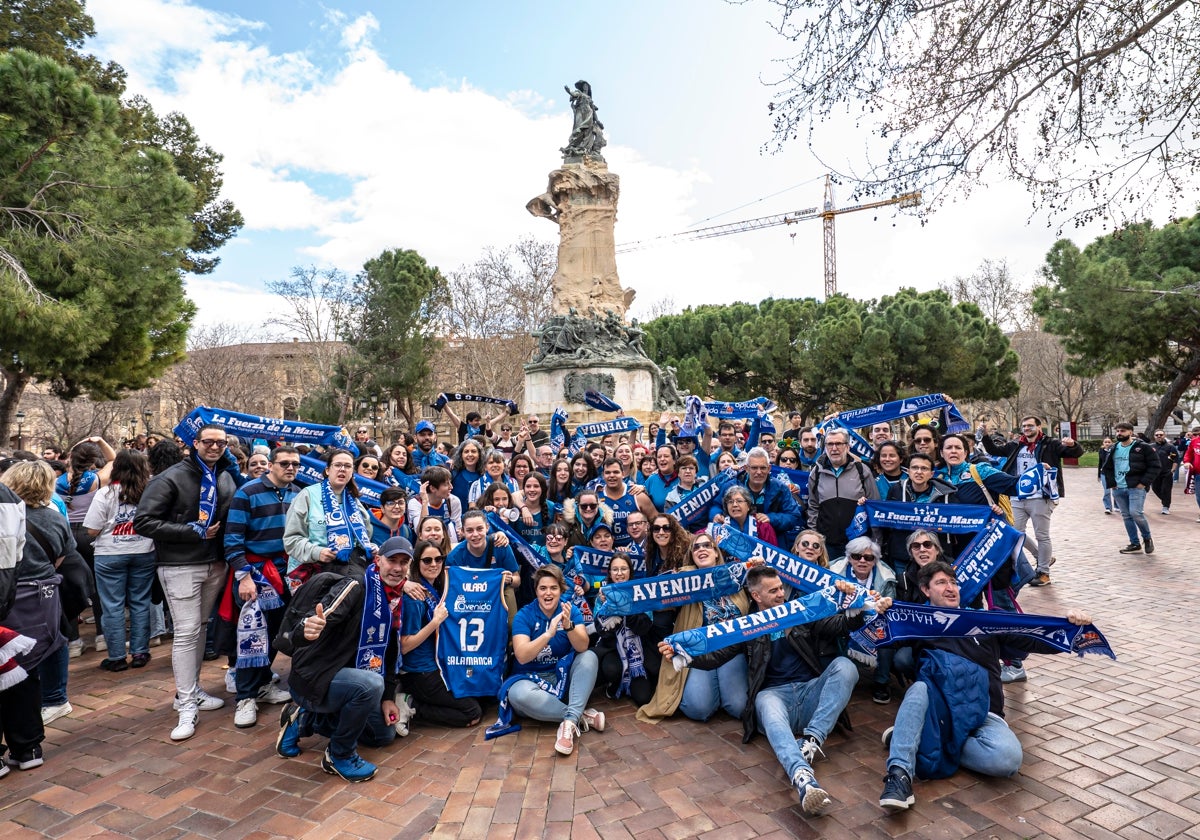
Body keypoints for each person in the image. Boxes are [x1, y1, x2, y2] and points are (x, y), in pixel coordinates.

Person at [877, 561, 1093, 813]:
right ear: (926, 590)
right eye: (941, 582)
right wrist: (882, 612)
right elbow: (876, 638)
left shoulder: (984, 620)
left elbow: (1036, 638)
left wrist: (1073, 625)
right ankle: (900, 774)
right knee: (918, 690)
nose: (950, 588)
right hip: (942, 714)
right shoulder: (917, 621)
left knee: (1007, 761)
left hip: (985, 714)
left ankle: (912, 736)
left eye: (954, 582)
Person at [680, 567, 889, 817]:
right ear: (756, 596)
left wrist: (858, 611)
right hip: (774, 698)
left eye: (781, 588)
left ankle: (811, 741)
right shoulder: (747, 625)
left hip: (809, 693)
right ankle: (803, 778)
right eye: (774, 590)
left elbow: (837, 625)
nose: (781, 594)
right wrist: (684, 655)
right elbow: (717, 655)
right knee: (764, 700)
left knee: (845, 666)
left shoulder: (799, 611)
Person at [275, 537, 414, 782]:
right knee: (370, 685)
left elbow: (389, 652)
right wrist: (306, 630)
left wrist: (389, 697)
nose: (397, 568)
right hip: (317, 675)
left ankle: (305, 718)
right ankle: (338, 755)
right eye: (392, 560)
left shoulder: (394, 598)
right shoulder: (357, 586)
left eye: (404, 562)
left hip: (350, 677)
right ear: (378, 560)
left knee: (382, 735)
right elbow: (314, 619)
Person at [135, 424, 238, 742]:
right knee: (186, 632)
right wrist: (191, 530)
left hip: (214, 563)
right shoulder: (170, 477)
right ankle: (186, 705)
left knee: (201, 628)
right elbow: (143, 521)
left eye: (221, 443)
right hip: (180, 565)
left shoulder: (223, 475)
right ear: (195, 443)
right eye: (209, 442)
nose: (215, 447)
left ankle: (192, 692)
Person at [223, 446, 302, 728]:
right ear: (271, 464)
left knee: (275, 635)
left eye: (295, 464)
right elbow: (232, 539)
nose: (290, 468)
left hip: (285, 574)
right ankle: (245, 697)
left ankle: (263, 685)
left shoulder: (297, 493)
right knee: (251, 638)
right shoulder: (247, 492)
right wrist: (243, 576)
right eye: (284, 463)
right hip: (255, 574)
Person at [2, 461, 76, 746]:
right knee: (41, 654)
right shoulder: (55, 516)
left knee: (9, 662)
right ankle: (31, 740)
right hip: (44, 595)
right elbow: (61, 557)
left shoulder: (6, 516)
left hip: (11, 596)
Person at [638, 536, 750, 724]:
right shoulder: (682, 582)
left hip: (732, 651)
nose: (701, 549)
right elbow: (654, 599)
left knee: (739, 707)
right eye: (696, 547)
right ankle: (715, 691)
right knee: (699, 710)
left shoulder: (735, 576)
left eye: (707, 545)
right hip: (698, 654)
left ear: (716, 552)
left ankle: (724, 691)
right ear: (692, 556)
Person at [506, 565, 604, 756]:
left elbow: (582, 647)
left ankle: (567, 726)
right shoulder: (524, 615)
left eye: (553, 588)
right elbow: (522, 656)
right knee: (517, 695)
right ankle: (578, 715)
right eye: (543, 588)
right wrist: (548, 634)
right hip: (530, 679)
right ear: (536, 591)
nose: (548, 593)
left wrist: (568, 626)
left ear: (561, 590)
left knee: (589, 657)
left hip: (562, 676)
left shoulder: (570, 611)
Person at [979, 415, 1082, 587]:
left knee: (1042, 534)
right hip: (1018, 495)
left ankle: (1043, 573)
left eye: (1030, 426)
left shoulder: (1051, 444)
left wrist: (1073, 445)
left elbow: (1074, 453)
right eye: (1024, 426)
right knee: (1014, 533)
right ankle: (1040, 557)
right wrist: (984, 435)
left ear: (1039, 427)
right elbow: (994, 451)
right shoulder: (1016, 444)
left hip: (1041, 496)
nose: (1026, 429)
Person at [83, 450, 157, 673]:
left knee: (112, 606)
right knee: (140, 602)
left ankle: (116, 656)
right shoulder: (150, 492)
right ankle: (140, 652)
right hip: (143, 550)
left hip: (109, 554)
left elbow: (92, 529)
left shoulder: (105, 493)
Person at [399, 539, 483, 728]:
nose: (434, 564)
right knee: (472, 713)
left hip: (439, 664)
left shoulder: (437, 589)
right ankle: (410, 705)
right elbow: (404, 646)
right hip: (419, 672)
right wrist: (435, 622)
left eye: (439, 559)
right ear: (416, 562)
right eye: (427, 560)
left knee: (482, 695)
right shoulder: (415, 598)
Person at [830, 536, 897, 702]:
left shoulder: (886, 577)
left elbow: (890, 608)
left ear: (875, 560)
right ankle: (841, 677)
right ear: (848, 557)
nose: (862, 561)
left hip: (874, 623)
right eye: (856, 556)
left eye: (868, 557)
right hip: (844, 620)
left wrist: (879, 604)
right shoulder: (833, 572)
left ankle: (881, 682)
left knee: (887, 635)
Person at [593, 554, 660, 705]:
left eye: (623, 568)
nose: (619, 573)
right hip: (613, 648)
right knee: (611, 669)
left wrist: (627, 610)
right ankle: (614, 683)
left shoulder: (640, 593)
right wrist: (610, 608)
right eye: (615, 569)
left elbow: (644, 627)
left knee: (643, 698)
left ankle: (635, 679)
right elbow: (602, 631)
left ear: (630, 571)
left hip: (638, 648)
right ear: (609, 572)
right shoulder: (603, 596)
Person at [807, 429, 879, 560]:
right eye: (830, 444)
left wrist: (875, 540)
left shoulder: (862, 470)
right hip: (827, 544)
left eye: (839, 443)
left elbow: (875, 506)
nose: (834, 448)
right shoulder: (816, 473)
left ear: (847, 446)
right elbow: (813, 507)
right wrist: (815, 537)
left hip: (858, 543)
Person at [714, 447, 803, 546]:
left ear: (769, 468)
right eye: (754, 468)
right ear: (746, 468)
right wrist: (716, 514)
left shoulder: (781, 488)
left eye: (763, 468)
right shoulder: (731, 486)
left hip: (773, 544)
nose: (759, 472)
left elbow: (793, 516)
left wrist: (771, 518)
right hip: (736, 542)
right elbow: (716, 505)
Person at [1101, 422, 1159, 555]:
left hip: (1136, 487)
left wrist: (1143, 483)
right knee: (1126, 516)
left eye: (1123, 431)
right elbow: (1107, 467)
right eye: (1118, 431)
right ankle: (1134, 543)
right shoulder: (1114, 448)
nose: (1119, 433)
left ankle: (1147, 537)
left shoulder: (1143, 447)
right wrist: (1112, 483)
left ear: (1130, 432)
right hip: (1118, 488)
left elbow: (1155, 466)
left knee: (1136, 513)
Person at [597, 459, 657, 549]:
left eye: (616, 472)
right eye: (608, 472)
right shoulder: (596, 498)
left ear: (623, 474)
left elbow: (656, 521)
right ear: (603, 475)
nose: (612, 475)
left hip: (637, 550)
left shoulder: (637, 495)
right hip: (607, 550)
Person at [406, 466, 462, 542]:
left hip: (446, 543)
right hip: (424, 546)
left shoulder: (453, 500)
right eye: (446, 484)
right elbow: (419, 532)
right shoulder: (415, 503)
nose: (451, 487)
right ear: (432, 488)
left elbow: (457, 529)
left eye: (450, 483)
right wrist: (425, 502)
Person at [449, 439, 485, 509]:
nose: (470, 454)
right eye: (466, 451)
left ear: (479, 454)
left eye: (473, 451)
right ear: (461, 455)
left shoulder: (484, 476)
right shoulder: (453, 474)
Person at [1150, 429, 1178, 515]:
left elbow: (1175, 460)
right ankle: (1165, 500)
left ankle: (1166, 506)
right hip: (1154, 472)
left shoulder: (1170, 447)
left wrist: (1172, 470)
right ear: (1154, 436)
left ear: (1164, 436)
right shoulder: (1150, 447)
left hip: (1167, 472)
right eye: (1157, 435)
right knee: (1155, 488)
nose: (1159, 436)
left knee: (1166, 489)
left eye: (1161, 435)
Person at [1097, 437, 1115, 514]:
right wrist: (1099, 475)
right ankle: (1108, 507)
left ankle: (1117, 506)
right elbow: (1100, 463)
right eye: (1105, 442)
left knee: (1116, 491)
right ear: (1103, 443)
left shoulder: (1114, 450)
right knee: (1107, 491)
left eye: (1109, 442)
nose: (1107, 443)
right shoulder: (1101, 451)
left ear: (1112, 443)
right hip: (1104, 473)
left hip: (1113, 473)